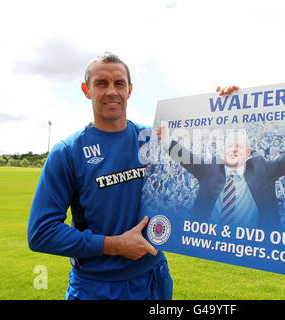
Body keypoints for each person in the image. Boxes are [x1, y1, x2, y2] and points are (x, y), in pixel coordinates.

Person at [27, 51, 237, 300]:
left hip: (153, 279)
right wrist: (114, 245)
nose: (111, 91)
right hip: (97, 287)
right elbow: (41, 232)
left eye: (119, 83)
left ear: (130, 89)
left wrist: (227, 110)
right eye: (101, 83)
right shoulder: (67, 152)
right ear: (86, 90)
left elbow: (207, 171)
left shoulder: (153, 140)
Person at [158, 118, 285, 228]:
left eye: (240, 146)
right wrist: (166, 138)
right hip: (209, 242)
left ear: (248, 153)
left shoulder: (263, 169)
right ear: (222, 151)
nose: (234, 148)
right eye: (230, 145)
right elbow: (183, 156)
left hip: (251, 246)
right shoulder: (208, 171)